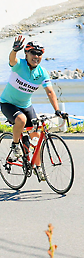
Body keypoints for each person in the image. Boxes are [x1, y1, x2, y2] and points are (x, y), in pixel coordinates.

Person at [0, 37, 66, 181]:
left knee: (36, 138)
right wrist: (14, 50)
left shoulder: (42, 73)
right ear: (26, 54)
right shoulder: (19, 65)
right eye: (33, 53)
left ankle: (37, 167)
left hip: (26, 105)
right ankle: (16, 145)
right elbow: (12, 60)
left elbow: (50, 92)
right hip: (8, 103)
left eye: (39, 54)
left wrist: (57, 110)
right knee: (21, 120)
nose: (36, 56)